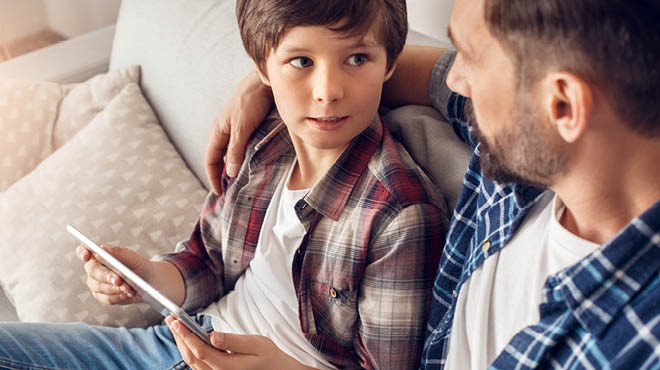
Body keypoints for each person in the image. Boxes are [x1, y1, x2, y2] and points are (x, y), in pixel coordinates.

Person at [205, 0, 660, 369]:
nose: (455, 79)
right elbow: (384, 65)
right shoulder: (536, 148)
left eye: (473, 58)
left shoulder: (631, 346)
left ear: (562, 105)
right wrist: (267, 78)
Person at [0, 0, 448, 369]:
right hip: (176, 344)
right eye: (301, 61)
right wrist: (148, 277)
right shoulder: (264, 137)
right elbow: (208, 262)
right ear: (262, 69)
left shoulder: (401, 216)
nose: (327, 91)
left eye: (357, 58)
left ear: (390, 63)